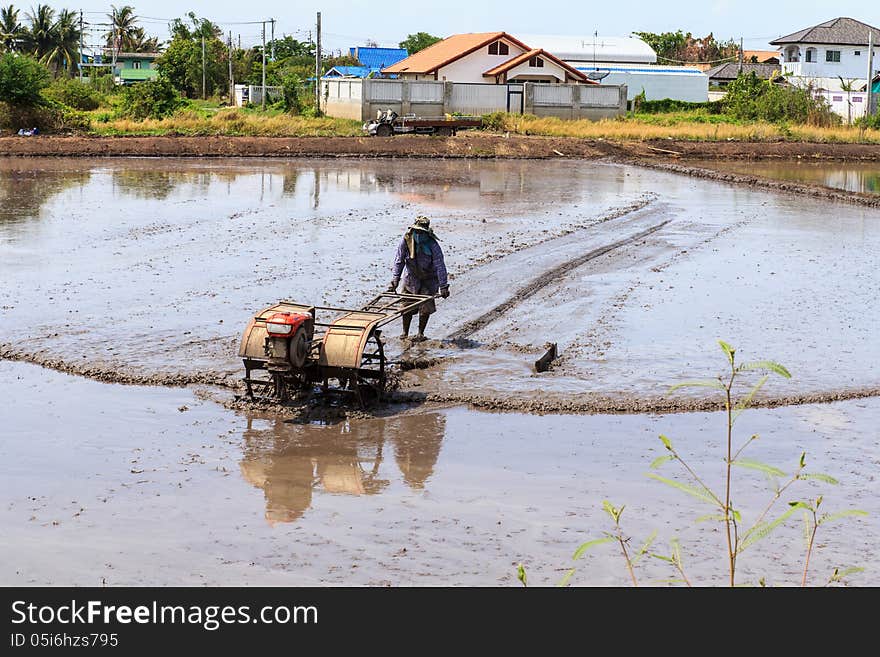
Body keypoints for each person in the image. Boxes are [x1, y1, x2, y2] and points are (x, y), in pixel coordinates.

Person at [388, 216, 449, 342]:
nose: (419, 235)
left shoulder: (433, 245)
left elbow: (440, 265)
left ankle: (420, 333)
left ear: (427, 233)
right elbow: (399, 261)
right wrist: (395, 280)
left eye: (422, 232)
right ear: (413, 231)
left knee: (425, 307)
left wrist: (443, 286)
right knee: (406, 306)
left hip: (429, 279)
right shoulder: (406, 241)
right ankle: (405, 332)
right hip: (411, 277)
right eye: (417, 232)